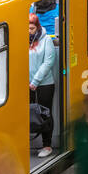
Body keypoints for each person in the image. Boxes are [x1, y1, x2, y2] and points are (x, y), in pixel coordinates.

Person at [28, 12, 58, 159]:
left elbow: (48, 62)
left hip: (45, 84)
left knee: (45, 113)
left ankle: (47, 144)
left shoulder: (46, 40)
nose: (29, 31)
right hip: (27, 84)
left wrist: (35, 81)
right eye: (27, 28)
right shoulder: (23, 41)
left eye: (32, 28)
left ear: (37, 27)